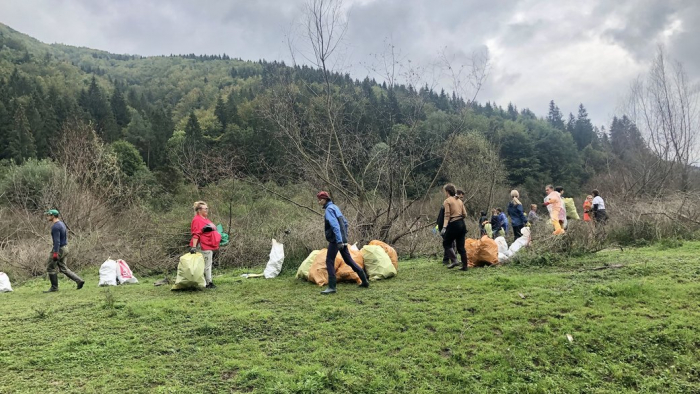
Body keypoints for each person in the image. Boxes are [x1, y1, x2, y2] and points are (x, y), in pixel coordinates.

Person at [317, 191, 369, 294]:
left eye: (320, 199)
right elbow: (345, 223)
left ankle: (332, 287)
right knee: (348, 260)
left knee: (329, 261)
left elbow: (335, 225)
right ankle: (364, 281)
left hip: (336, 240)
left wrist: (339, 240)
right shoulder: (335, 207)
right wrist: (344, 238)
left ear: (324, 199)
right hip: (342, 239)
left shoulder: (329, 209)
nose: (319, 201)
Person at [43, 209, 84, 293]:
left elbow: (57, 241)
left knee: (50, 268)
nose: (47, 217)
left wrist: (55, 253)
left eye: (48, 215)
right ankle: (79, 280)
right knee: (63, 268)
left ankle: (54, 288)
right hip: (65, 248)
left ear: (53, 216)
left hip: (59, 249)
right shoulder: (62, 224)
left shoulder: (55, 227)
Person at [189, 201, 221, 289]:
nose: (207, 210)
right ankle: (208, 283)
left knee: (207, 264)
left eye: (207, 208)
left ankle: (204, 281)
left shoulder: (205, 219)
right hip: (203, 245)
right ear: (199, 210)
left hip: (208, 244)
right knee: (207, 265)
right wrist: (194, 247)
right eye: (205, 208)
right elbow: (196, 234)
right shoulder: (197, 220)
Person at [440, 184, 469, 270]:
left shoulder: (447, 201)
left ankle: (454, 260)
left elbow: (447, 215)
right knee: (461, 247)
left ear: (447, 191)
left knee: (446, 243)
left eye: (445, 191)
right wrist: (459, 218)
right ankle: (465, 266)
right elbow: (465, 214)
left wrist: (444, 227)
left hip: (454, 224)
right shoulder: (460, 201)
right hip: (462, 224)